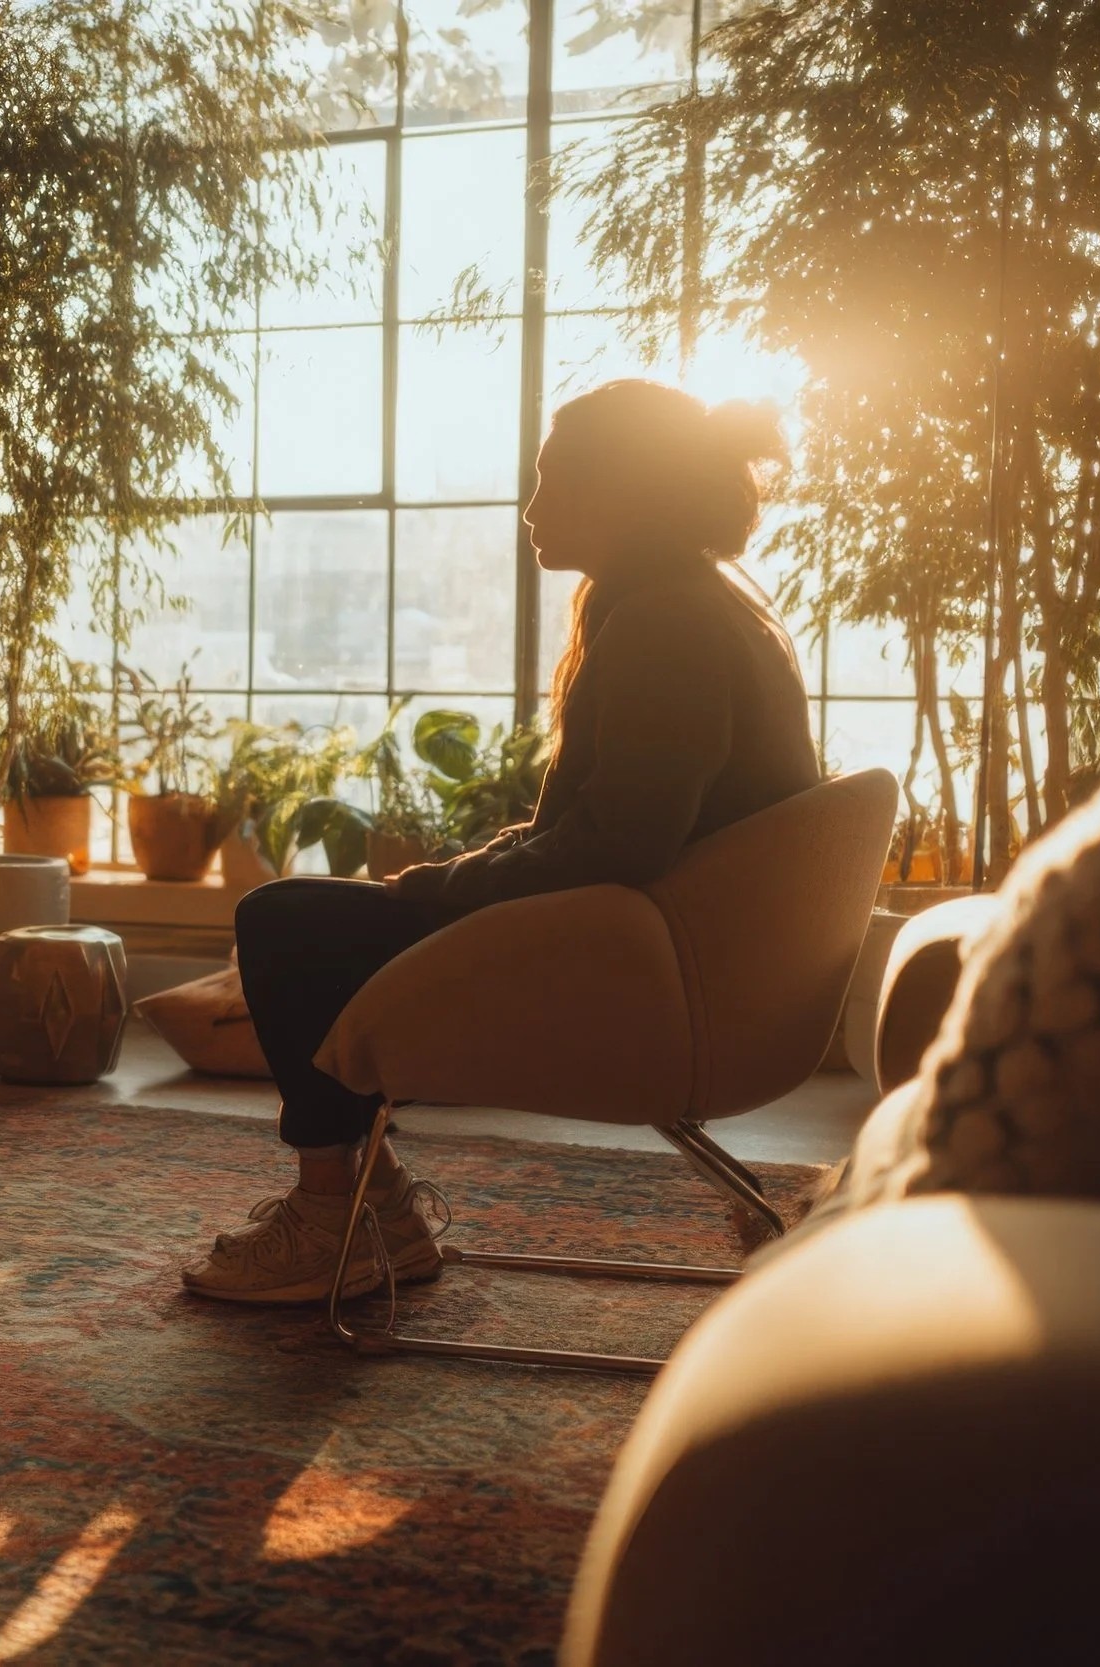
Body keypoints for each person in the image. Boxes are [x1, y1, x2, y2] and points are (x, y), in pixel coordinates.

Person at [184, 380, 819, 1303]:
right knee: (316, 917)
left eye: (553, 482)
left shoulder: (666, 625)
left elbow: (617, 845)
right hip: (667, 955)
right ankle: (378, 1211)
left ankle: (337, 1216)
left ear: (622, 492)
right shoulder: (682, 604)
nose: (530, 509)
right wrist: (449, 880)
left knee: (287, 924)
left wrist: (440, 888)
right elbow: (594, 832)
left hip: (652, 976)